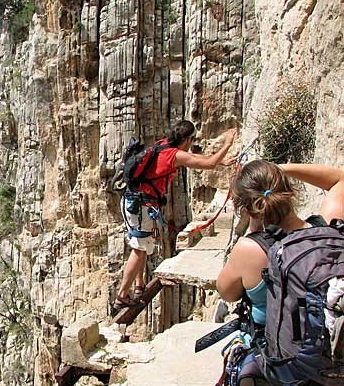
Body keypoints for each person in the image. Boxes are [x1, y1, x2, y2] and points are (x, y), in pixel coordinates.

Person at [112, 120, 236, 314]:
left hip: (134, 202)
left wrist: (221, 160)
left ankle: (139, 285)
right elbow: (206, 164)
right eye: (192, 139)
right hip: (141, 206)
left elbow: (193, 157)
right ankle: (121, 297)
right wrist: (228, 144)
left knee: (142, 245)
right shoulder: (174, 155)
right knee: (138, 249)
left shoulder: (163, 145)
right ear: (187, 139)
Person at [217, 160, 344, 323]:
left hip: (278, 347)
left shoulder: (248, 250)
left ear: (250, 211)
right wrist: (280, 169)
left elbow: (227, 292)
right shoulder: (329, 228)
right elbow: (339, 179)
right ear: (290, 191)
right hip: (330, 340)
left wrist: (255, 235)